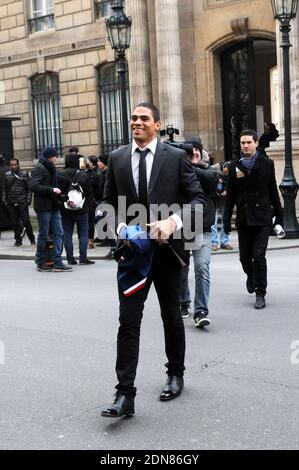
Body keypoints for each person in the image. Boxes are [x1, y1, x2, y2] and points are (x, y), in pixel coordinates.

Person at [100, 102, 206, 418]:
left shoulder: (174, 158)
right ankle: (124, 394)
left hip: (168, 253)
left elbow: (199, 202)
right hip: (132, 257)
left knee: (171, 316)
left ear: (157, 125)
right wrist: (120, 227)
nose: (137, 122)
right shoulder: (117, 158)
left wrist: (172, 222)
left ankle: (175, 374)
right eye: (133, 117)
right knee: (128, 321)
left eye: (144, 118)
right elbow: (106, 204)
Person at [223, 129, 283, 310]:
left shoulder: (267, 164)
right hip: (243, 219)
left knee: (259, 256)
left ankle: (260, 292)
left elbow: (273, 191)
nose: (246, 146)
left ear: (256, 143)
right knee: (244, 258)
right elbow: (230, 196)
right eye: (243, 143)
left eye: (249, 142)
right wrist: (226, 221)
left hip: (262, 218)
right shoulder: (234, 166)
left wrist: (279, 219)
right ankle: (252, 276)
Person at [179, 142, 218, 328]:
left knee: (202, 269)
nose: (191, 155)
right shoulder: (176, 172)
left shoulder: (209, 171)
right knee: (181, 271)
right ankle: (184, 302)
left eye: (194, 152)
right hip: (181, 229)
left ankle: (201, 310)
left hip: (203, 228)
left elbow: (210, 181)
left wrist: (193, 164)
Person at [30, 145, 72, 273]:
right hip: (43, 207)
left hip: (53, 205)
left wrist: (64, 197)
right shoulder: (39, 168)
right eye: (54, 156)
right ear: (50, 156)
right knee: (43, 234)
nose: (56, 158)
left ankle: (57, 261)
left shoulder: (51, 167)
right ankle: (40, 260)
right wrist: (51, 190)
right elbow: (33, 186)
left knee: (59, 232)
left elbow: (56, 185)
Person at [57, 152, 95, 265]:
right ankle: (83, 258)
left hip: (66, 209)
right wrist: (85, 205)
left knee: (67, 233)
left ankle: (70, 258)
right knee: (83, 233)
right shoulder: (83, 174)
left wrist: (65, 202)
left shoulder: (60, 174)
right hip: (82, 209)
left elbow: (58, 192)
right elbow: (89, 193)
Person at [2, 158, 35, 247]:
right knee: (14, 222)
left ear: (18, 165)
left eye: (15, 164)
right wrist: (4, 200)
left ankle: (32, 239)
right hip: (11, 202)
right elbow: (5, 189)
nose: (13, 166)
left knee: (26, 221)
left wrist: (28, 201)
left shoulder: (24, 174)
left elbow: (29, 189)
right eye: (12, 165)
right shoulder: (7, 175)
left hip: (22, 201)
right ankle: (18, 240)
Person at [210, 161, 233, 251]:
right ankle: (214, 242)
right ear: (223, 167)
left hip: (225, 197)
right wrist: (214, 187)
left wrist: (227, 191)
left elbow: (236, 184)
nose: (227, 174)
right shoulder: (213, 169)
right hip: (213, 196)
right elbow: (206, 179)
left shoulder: (234, 171)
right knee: (213, 220)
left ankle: (224, 242)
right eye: (226, 172)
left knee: (226, 219)